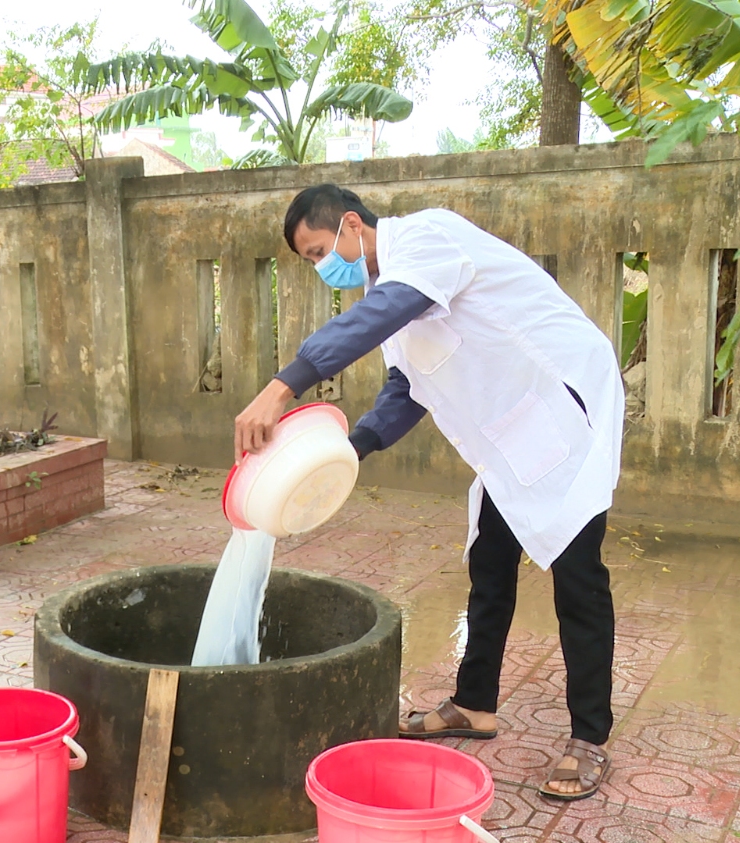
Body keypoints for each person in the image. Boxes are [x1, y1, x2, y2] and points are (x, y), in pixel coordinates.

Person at [235, 184, 622, 801]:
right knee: (491, 564)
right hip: (512, 435)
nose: (320, 268)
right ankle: (475, 705)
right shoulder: (387, 293)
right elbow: (406, 389)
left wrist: (282, 387)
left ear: (352, 226)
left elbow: (383, 313)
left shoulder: (426, 239)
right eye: (309, 261)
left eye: (317, 252)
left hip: (564, 408)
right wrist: (346, 450)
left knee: (578, 578)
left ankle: (590, 739)